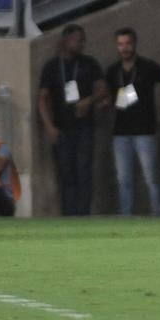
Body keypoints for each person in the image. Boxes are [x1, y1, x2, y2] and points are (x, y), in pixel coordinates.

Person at [37, 24, 106, 216]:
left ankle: (83, 215)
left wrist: (89, 101)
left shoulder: (89, 63)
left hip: (84, 128)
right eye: (79, 40)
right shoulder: (51, 66)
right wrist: (49, 127)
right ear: (67, 40)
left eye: (83, 40)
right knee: (66, 175)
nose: (82, 44)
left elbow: (103, 89)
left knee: (84, 173)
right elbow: (42, 98)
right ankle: (69, 215)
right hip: (61, 129)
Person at [105, 27, 160, 216]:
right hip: (121, 132)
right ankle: (126, 215)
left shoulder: (148, 66)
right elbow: (108, 97)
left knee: (151, 177)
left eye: (128, 44)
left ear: (135, 44)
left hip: (145, 130)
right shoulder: (113, 70)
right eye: (121, 44)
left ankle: (158, 213)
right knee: (124, 179)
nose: (124, 48)